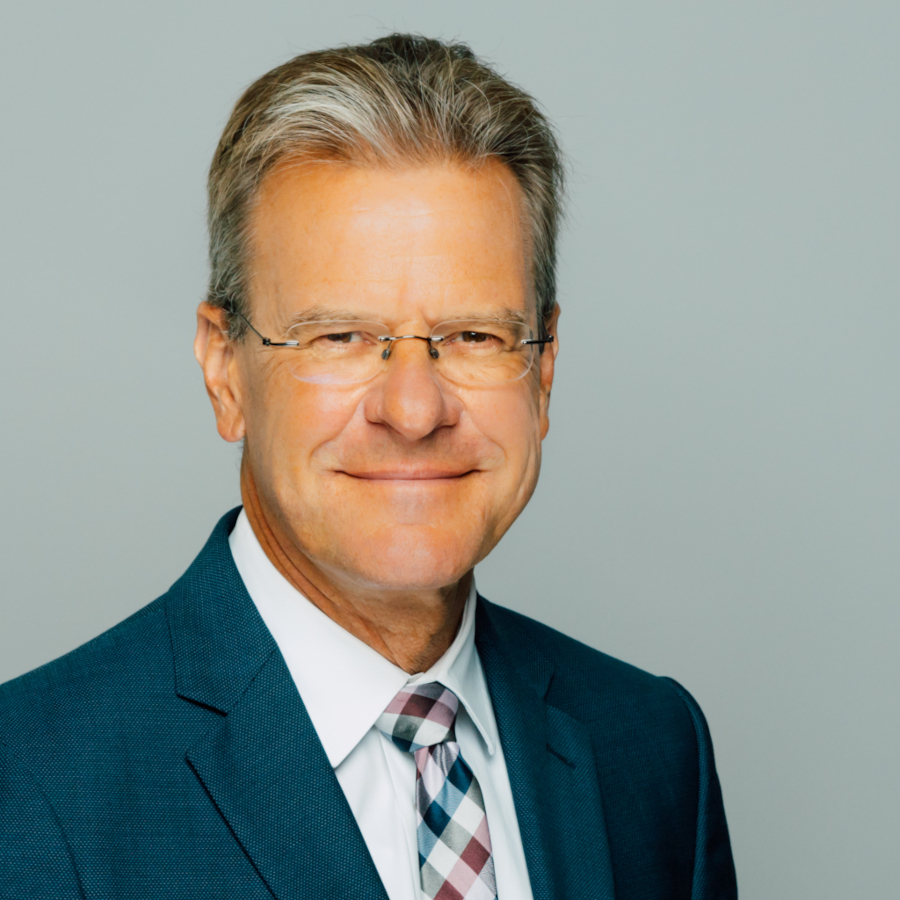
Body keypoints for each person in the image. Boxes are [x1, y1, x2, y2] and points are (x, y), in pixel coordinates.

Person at [0, 34, 737, 900]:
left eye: (475, 335)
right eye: (341, 336)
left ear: (542, 370)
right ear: (225, 369)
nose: (415, 411)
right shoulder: (32, 786)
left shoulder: (652, 749)